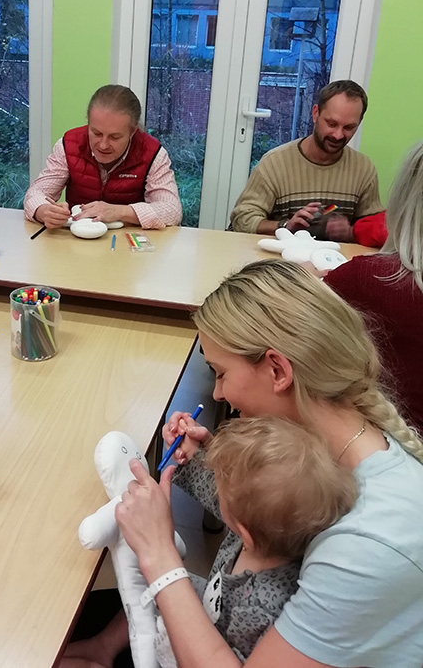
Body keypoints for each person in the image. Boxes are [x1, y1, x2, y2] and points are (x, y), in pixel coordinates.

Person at [75, 260, 423, 667]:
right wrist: (204, 464)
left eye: (220, 373)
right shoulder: (320, 445)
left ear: (277, 370)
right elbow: (268, 517)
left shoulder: (370, 542)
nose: (216, 394)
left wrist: (159, 553)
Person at [152, 416, 357, 666]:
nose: (215, 487)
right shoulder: (269, 532)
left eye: (219, 486)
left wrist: (161, 549)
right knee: (152, 590)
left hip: (206, 648)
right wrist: (194, 454)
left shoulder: (262, 606)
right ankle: (108, 645)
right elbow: (223, 496)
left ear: (244, 532)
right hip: (214, 604)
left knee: (156, 590)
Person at [324, 139, 423, 432]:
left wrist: (307, 280)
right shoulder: (278, 161)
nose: (338, 134)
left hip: (384, 443)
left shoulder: (365, 280)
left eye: (348, 127)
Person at [230, 80, 382, 241]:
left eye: (349, 127)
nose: (338, 135)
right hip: (283, 255)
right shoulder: (275, 163)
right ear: (315, 114)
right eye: (331, 124)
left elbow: (378, 229)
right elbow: (242, 219)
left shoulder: (363, 169)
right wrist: (285, 226)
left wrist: (350, 232)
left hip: (336, 256)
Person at [24, 85, 182, 230]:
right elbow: (35, 194)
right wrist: (44, 211)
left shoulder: (153, 153)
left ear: (132, 132)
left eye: (114, 137)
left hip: (128, 243)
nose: (103, 145)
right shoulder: (69, 145)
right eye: (96, 133)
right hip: (77, 239)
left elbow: (172, 210)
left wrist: (119, 211)